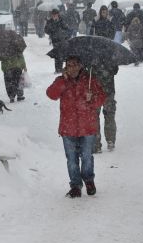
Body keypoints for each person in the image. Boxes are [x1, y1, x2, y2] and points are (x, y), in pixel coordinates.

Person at [46, 56, 107, 198]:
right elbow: (51, 94)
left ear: (80, 66)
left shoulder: (90, 80)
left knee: (87, 157)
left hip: (87, 126)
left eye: (74, 65)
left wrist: (92, 98)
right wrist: (63, 81)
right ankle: (75, 185)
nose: (71, 68)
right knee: (72, 160)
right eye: (68, 65)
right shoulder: (61, 81)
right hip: (68, 127)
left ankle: (89, 180)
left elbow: (101, 98)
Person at [93, 64, 118, 153]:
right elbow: (115, 70)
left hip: (94, 90)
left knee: (94, 116)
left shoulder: (90, 55)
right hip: (109, 88)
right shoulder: (110, 53)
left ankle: (96, 143)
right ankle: (110, 139)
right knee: (109, 115)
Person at [44, 8, 71, 73]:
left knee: (61, 54)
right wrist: (50, 27)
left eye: (55, 14)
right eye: (53, 15)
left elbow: (67, 28)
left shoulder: (61, 20)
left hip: (62, 39)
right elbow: (46, 31)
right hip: (54, 40)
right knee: (57, 54)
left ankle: (60, 68)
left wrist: (65, 35)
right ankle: (57, 69)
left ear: (58, 14)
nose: (54, 16)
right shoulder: (50, 21)